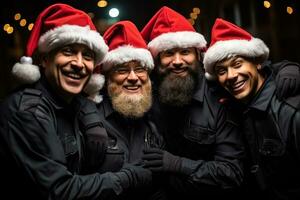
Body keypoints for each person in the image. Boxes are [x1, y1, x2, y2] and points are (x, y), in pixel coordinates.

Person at [0, 4, 152, 199]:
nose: (79, 64)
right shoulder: (28, 112)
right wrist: (131, 176)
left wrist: (89, 114)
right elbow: (60, 191)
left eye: (87, 56)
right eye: (69, 51)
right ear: (45, 58)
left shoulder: (70, 102)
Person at [140, 6, 245, 199]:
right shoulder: (145, 94)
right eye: (169, 53)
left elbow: (233, 173)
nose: (178, 61)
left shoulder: (219, 96)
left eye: (185, 52)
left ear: (198, 55)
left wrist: (178, 164)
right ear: (158, 59)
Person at [203, 18, 300, 199]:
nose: (231, 75)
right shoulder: (232, 106)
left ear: (257, 62)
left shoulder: (290, 111)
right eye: (222, 71)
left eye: (238, 64)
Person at [86, 20, 166, 200]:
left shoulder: (155, 119)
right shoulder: (89, 120)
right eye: (122, 70)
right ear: (107, 78)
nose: (133, 78)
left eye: (140, 69)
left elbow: (161, 184)